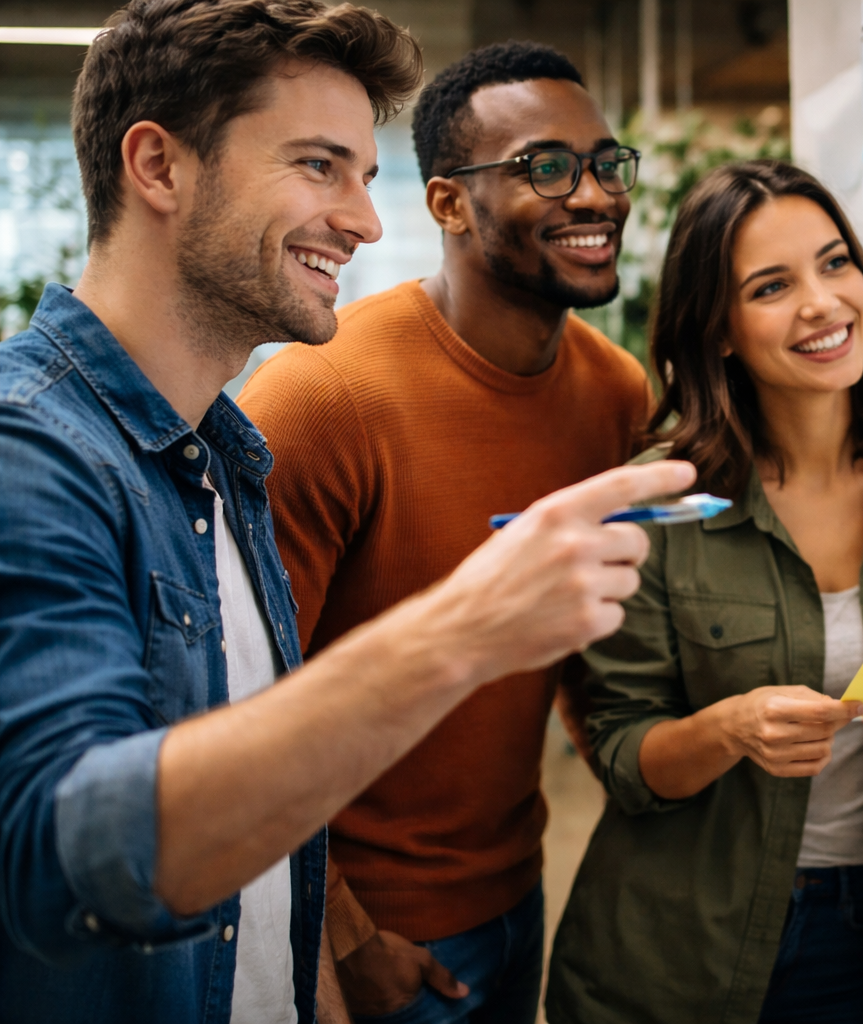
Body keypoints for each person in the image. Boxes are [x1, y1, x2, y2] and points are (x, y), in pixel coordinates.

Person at [0, 3, 693, 1022]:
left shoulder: (222, 456)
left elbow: (258, 790)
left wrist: (311, 962)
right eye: (319, 166)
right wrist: (463, 628)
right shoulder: (35, 455)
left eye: (365, 176)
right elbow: (64, 856)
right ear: (157, 166)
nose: (369, 221)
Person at [237, 40, 651, 1024]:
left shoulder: (613, 392)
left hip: (522, 885)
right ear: (447, 203)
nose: (592, 194)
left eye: (604, 163)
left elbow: (591, 658)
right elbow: (242, 696)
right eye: (545, 166)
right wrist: (343, 931)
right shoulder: (319, 393)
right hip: (372, 924)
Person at [544, 160, 863, 1024]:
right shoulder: (657, 506)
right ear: (718, 330)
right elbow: (619, 752)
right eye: (772, 286)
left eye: (836, 264)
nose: (824, 303)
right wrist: (727, 730)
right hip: (676, 940)